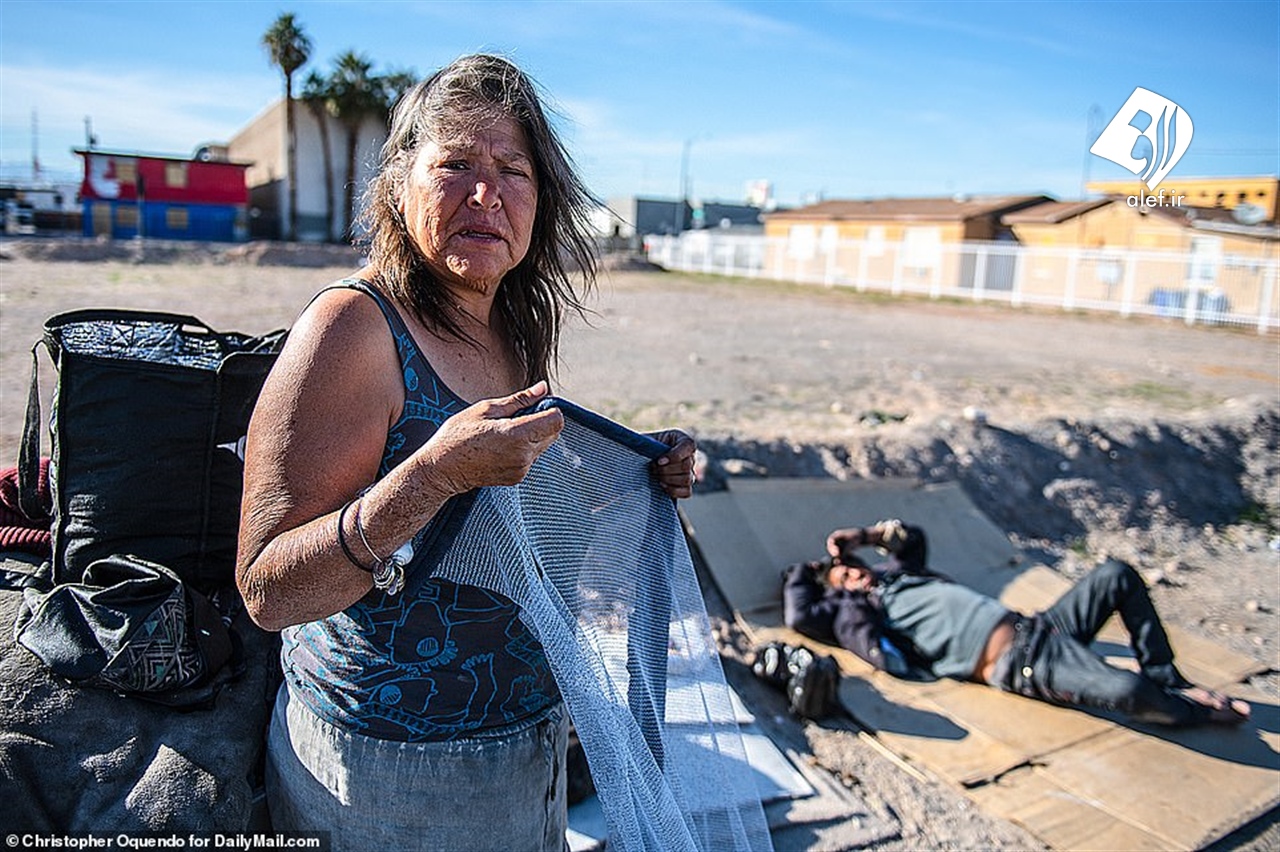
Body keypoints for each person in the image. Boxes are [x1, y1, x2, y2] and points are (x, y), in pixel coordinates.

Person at [235, 54, 696, 850]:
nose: (487, 193)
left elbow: (506, 523)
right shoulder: (352, 330)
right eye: (455, 164)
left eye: (514, 169)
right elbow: (269, 591)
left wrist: (636, 473)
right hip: (384, 777)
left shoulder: (512, 328)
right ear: (396, 185)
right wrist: (430, 477)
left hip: (527, 750)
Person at [782, 519, 1251, 726]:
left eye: (852, 563)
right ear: (837, 591)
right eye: (841, 575)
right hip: (1017, 664)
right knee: (1127, 693)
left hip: (1044, 627)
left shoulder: (898, 573)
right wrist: (805, 570)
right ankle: (1191, 710)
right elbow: (799, 613)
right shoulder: (854, 615)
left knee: (1116, 575)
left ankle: (1166, 677)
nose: (852, 570)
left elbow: (912, 537)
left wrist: (860, 536)